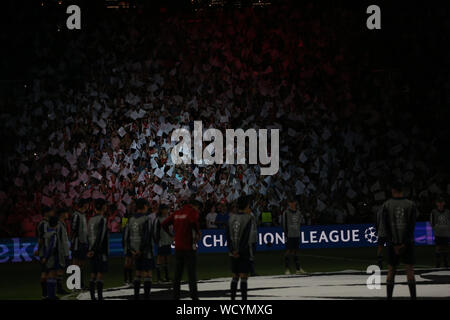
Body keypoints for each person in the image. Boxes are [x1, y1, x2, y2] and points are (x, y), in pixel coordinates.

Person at [380, 181, 417, 300]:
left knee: (391, 270)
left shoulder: (386, 205)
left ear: (392, 190)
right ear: (403, 190)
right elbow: (411, 226)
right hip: (408, 243)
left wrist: (393, 243)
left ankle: (389, 298)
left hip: (393, 243)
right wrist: (404, 243)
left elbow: (386, 226)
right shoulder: (411, 204)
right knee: (409, 270)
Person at [162, 198, 202, 300]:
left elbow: (164, 224)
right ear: (194, 206)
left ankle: (176, 297)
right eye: (198, 208)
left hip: (178, 247)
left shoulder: (177, 212)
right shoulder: (192, 212)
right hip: (189, 247)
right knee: (191, 275)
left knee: (177, 275)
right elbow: (193, 221)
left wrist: (171, 234)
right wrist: (198, 232)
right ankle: (194, 298)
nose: (198, 210)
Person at [226, 196, 254, 300]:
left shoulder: (231, 217)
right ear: (246, 205)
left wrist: (232, 250)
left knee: (234, 277)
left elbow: (227, 236)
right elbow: (245, 237)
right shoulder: (248, 218)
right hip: (243, 252)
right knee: (243, 278)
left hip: (232, 253)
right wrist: (239, 251)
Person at [125, 198, 154, 300]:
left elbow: (127, 237)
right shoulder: (147, 219)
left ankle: (136, 296)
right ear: (145, 206)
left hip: (134, 251)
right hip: (145, 251)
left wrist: (132, 250)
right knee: (147, 273)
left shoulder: (130, 219)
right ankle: (146, 297)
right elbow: (147, 236)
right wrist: (141, 249)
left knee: (137, 273)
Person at [87, 198, 109, 301]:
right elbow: (100, 236)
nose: (106, 207)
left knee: (93, 274)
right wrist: (95, 250)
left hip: (91, 249)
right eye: (105, 205)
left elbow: (89, 236)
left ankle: (92, 297)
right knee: (100, 274)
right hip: (99, 250)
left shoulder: (90, 220)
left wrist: (90, 249)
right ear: (102, 206)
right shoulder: (102, 219)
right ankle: (100, 297)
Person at [281, 196, 306, 275]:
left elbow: (299, 223)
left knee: (296, 251)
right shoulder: (286, 213)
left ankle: (298, 269)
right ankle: (287, 269)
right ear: (289, 203)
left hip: (296, 234)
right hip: (289, 234)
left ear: (295, 203)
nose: (292, 204)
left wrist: (298, 232)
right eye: (290, 202)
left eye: (293, 202)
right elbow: (284, 224)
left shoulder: (299, 212)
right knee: (288, 251)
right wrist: (286, 234)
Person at [34, 205, 54, 299]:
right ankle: (45, 294)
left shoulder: (45, 223)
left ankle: (47, 294)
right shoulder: (43, 224)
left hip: (46, 251)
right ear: (46, 213)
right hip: (45, 252)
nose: (52, 213)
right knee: (45, 273)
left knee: (47, 272)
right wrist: (39, 249)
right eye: (50, 211)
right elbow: (42, 238)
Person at [70, 198, 90, 289]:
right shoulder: (76, 215)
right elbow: (73, 229)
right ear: (84, 205)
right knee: (76, 263)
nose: (88, 206)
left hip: (83, 242)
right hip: (77, 242)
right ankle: (74, 284)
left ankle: (80, 284)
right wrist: (73, 241)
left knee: (81, 264)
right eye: (87, 204)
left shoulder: (83, 215)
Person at [41, 215, 61, 300]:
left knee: (48, 274)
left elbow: (45, 246)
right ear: (56, 224)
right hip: (51, 256)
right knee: (52, 275)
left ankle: (49, 295)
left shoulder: (46, 233)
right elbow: (51, 246)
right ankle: (51, 296)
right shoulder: (54, 234)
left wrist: (44, 256)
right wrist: (47, 256)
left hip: (45, 256)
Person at [153, 204, 173, 283]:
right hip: (161, 242)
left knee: (167, 258)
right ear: (162, 210)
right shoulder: (158, 219)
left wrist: (171, 237)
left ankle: (167, 277)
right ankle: (159, 278)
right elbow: (155, 231)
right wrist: (157, 241)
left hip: (167, 241)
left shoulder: (168, 218)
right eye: (166, 209)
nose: (167, 211)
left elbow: (170, 229)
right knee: (160, 259)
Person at [430, 196, 450, 268]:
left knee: (446, 248)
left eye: (442, 202)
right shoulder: (433, 212)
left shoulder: (448, 212)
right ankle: (437, 265)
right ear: (436, 203)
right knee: (438, 248)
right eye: (439, 202)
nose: (440, 204)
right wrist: (436, 228)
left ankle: (446, 264)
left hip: (446, 234)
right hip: (438, 234)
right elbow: (432, 223)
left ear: (444, 203)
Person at [56, 207, 70, 295]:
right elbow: (58, 239)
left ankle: (59, 287)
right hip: (61, 251)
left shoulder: (62, 224)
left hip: (63, 250)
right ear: (62, 214)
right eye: (66, 213)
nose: (67, 215)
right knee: (60, 269)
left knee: (61, 269)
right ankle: (59, 288)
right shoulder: (59, 224)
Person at [121, 210, 133, 286]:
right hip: (129, 246)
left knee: (128, 263)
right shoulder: (128, 225)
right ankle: (129, 280)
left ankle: (127, 280)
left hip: (127, 245)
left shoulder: (125, 224)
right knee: (129, 263)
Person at [375, 205, 387, 269]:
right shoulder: (388, 211)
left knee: (380, 247)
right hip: (386, 232)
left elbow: (376, 222)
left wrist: (377, 231)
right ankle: (380, 262)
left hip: (381, 232)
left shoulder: (379, 211)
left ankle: (379, 262)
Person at [249, 209, 258, 276]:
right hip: (249, 238)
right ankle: (252, 271)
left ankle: (251, 270)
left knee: (252, 254)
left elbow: (255, 225)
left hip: (254, 237)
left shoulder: (252, 214)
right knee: (250, 255)